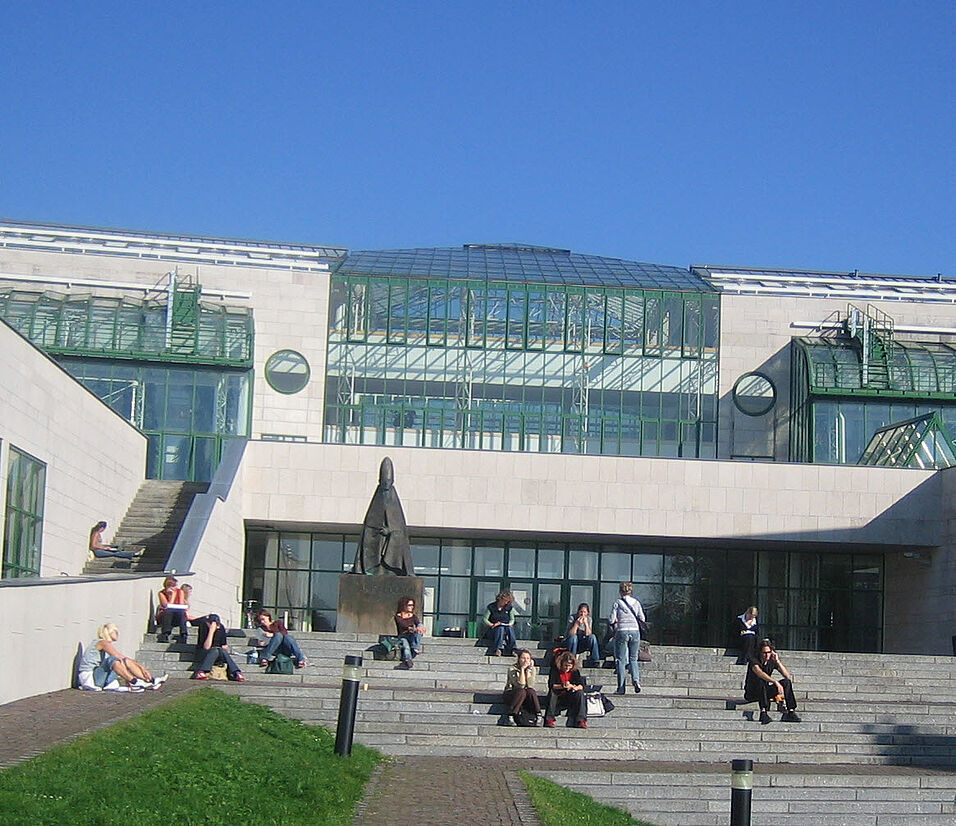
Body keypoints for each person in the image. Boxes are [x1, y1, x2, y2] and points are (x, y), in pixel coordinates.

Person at [77, 622, 167, 692]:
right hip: (91, 678)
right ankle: (135, 682)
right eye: (114, 631)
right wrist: (140, 668)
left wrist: (140, 668)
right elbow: (118, 656)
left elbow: (123, 660)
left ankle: (150, 680)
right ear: (108, 632)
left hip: (99, 677)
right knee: (114, 660)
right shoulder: (102, 643)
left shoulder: (105, 645)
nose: (117, 633)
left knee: (124, 661)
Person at [744, 639, 802, 724]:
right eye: (764, 653)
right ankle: (763, 712)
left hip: (764, 692)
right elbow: (759, 673)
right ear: (760, 652)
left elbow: (787, 676)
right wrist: (775, 682)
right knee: (762, 680)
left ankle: (791, 711)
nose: (767, 655)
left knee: (786, 682)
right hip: (752, 692)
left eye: (769, 652)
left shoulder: (772, 660)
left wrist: (777, 661)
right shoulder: (754, 661)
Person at [608, 581, 645, 695]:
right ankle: (636, 680)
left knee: (620, 660)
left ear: (620, 591)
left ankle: (621, 687)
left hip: (622, 631)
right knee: (633, 658)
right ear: (631, 591)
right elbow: (642, 618)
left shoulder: (618, 603)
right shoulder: (636, 602)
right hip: (635, 631)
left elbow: (611, 619)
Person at [193, 614, 245, 681]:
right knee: (215, 650)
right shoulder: (203, 627)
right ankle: (201, 671)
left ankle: (236, 672)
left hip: (218, 654)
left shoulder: (221, 628)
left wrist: (224, 647)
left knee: (220, 650)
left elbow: (224, 645)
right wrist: (211, 631)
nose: (217, 627)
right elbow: (206, 647)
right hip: (203, 653)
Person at [544, 650, 588, 728]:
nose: (567, 668)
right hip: (559, 696)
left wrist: (573, 687)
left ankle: (581, 720)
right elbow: (552, 685)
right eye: (565, 665)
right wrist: (563, 686)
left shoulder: (575, 672)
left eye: (569, 666)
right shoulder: (555, 670)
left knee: (580, 693)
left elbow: (581, 685)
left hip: (570, 696)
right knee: (552, 693)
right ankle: (549, 719)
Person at [503, 649, 541, 724]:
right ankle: (511, 715)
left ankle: (538, 714)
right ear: (519, 659)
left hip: (525, 694)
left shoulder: (532, 669)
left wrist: (528, 672)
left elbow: (530, 685)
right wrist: (522, 669)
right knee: (521, 691)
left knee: (531, 691)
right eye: (523, 658)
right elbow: (520, 685)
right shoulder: (512, 669)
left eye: (528, 658)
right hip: (512, 693)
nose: (525, 661)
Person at [564, 602, 601, 667]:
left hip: (582, 642)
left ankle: (595, 660)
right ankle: (572, 659)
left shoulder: (589, 619)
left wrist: (586, 624)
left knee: (593, 637)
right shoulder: (572, 618)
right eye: (581, 612)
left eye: (584, 612)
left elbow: (588, 634)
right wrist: (576, 624)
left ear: (587, 613)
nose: (582, 614)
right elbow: (570, 634)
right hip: (571, 642)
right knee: (574, 637)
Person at [393, 596, 425, 670]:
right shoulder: (398, 616)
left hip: (412, 635)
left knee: (419, 627)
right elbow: (403, 625)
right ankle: (408, 659)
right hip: (403, 636)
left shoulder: (413, 616)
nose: (412, 607)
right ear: (404, 605)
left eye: (412, 605)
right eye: (409, 605)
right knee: (405, 645)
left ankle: (415, 647)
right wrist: (413, 629)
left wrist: (420, 627)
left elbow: (418, 623)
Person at [483, 590, 517, 656]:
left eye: (508, 601)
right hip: (494, 629)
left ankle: (513, 648)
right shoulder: (491, 607)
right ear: (500, 599)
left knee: (510, 629)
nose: (506, 603)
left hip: (506, 627)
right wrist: (492, 624)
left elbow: (512, 619)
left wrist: (510, 623)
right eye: (505, 601)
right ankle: (498, 648)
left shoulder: (509, 608)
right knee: (500, 628)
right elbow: (485, 619)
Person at [156, 576, 189, 643]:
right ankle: (165, 634)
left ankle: (183, 634)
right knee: (168, 611)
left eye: (175, 586)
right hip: (165, 617)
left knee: (182, 612)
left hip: (177, 616)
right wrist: (172, 596)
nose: (174, 588)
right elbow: (166, 606)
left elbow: (181, 605)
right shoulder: (162, 593)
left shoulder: (180, 592)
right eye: (172, 586)